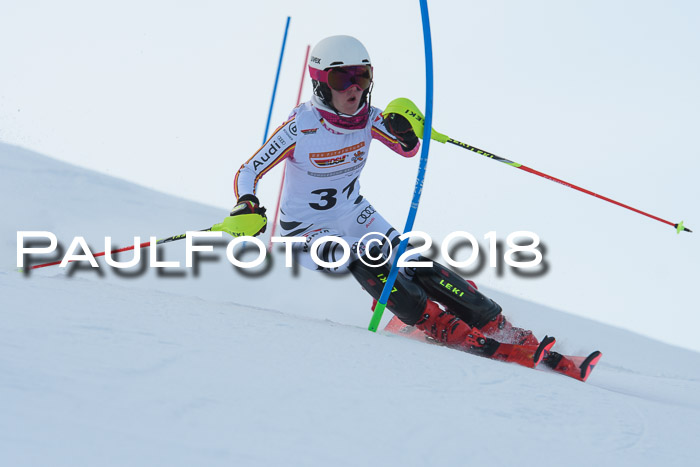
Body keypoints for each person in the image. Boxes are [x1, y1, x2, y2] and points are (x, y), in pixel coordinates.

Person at [229, 35, 560, 368]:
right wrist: (246, 203)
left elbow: (408, 149)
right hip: (304, 230)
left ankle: (496, 326)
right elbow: (249, 170)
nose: (353, 88)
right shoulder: (301, 127)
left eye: (362, 76)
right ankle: (443, 328)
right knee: (363, 257)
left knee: (414, 261)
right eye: (340, 78)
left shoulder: (371, 118)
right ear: (320, 84)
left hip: (353, 212)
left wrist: (406, 133)